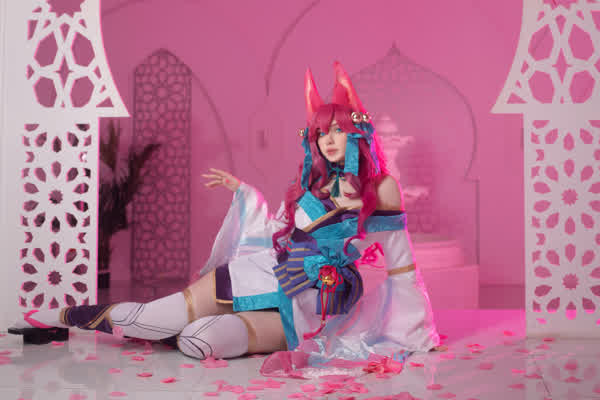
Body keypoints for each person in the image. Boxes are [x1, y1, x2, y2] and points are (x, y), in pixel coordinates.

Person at [10, 62, 439, 377]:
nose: (328, 140)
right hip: (260, 274)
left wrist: (414, 331)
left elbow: (401, 266)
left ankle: (172, 328)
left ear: (357, 133)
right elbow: (276, 233)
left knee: (198, 341)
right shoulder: (310, 187)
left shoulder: (381, 189)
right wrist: (245, 192)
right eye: (321, 132)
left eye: (338, 130)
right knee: (149, 318)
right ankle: (58, 317)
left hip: (308, 307)